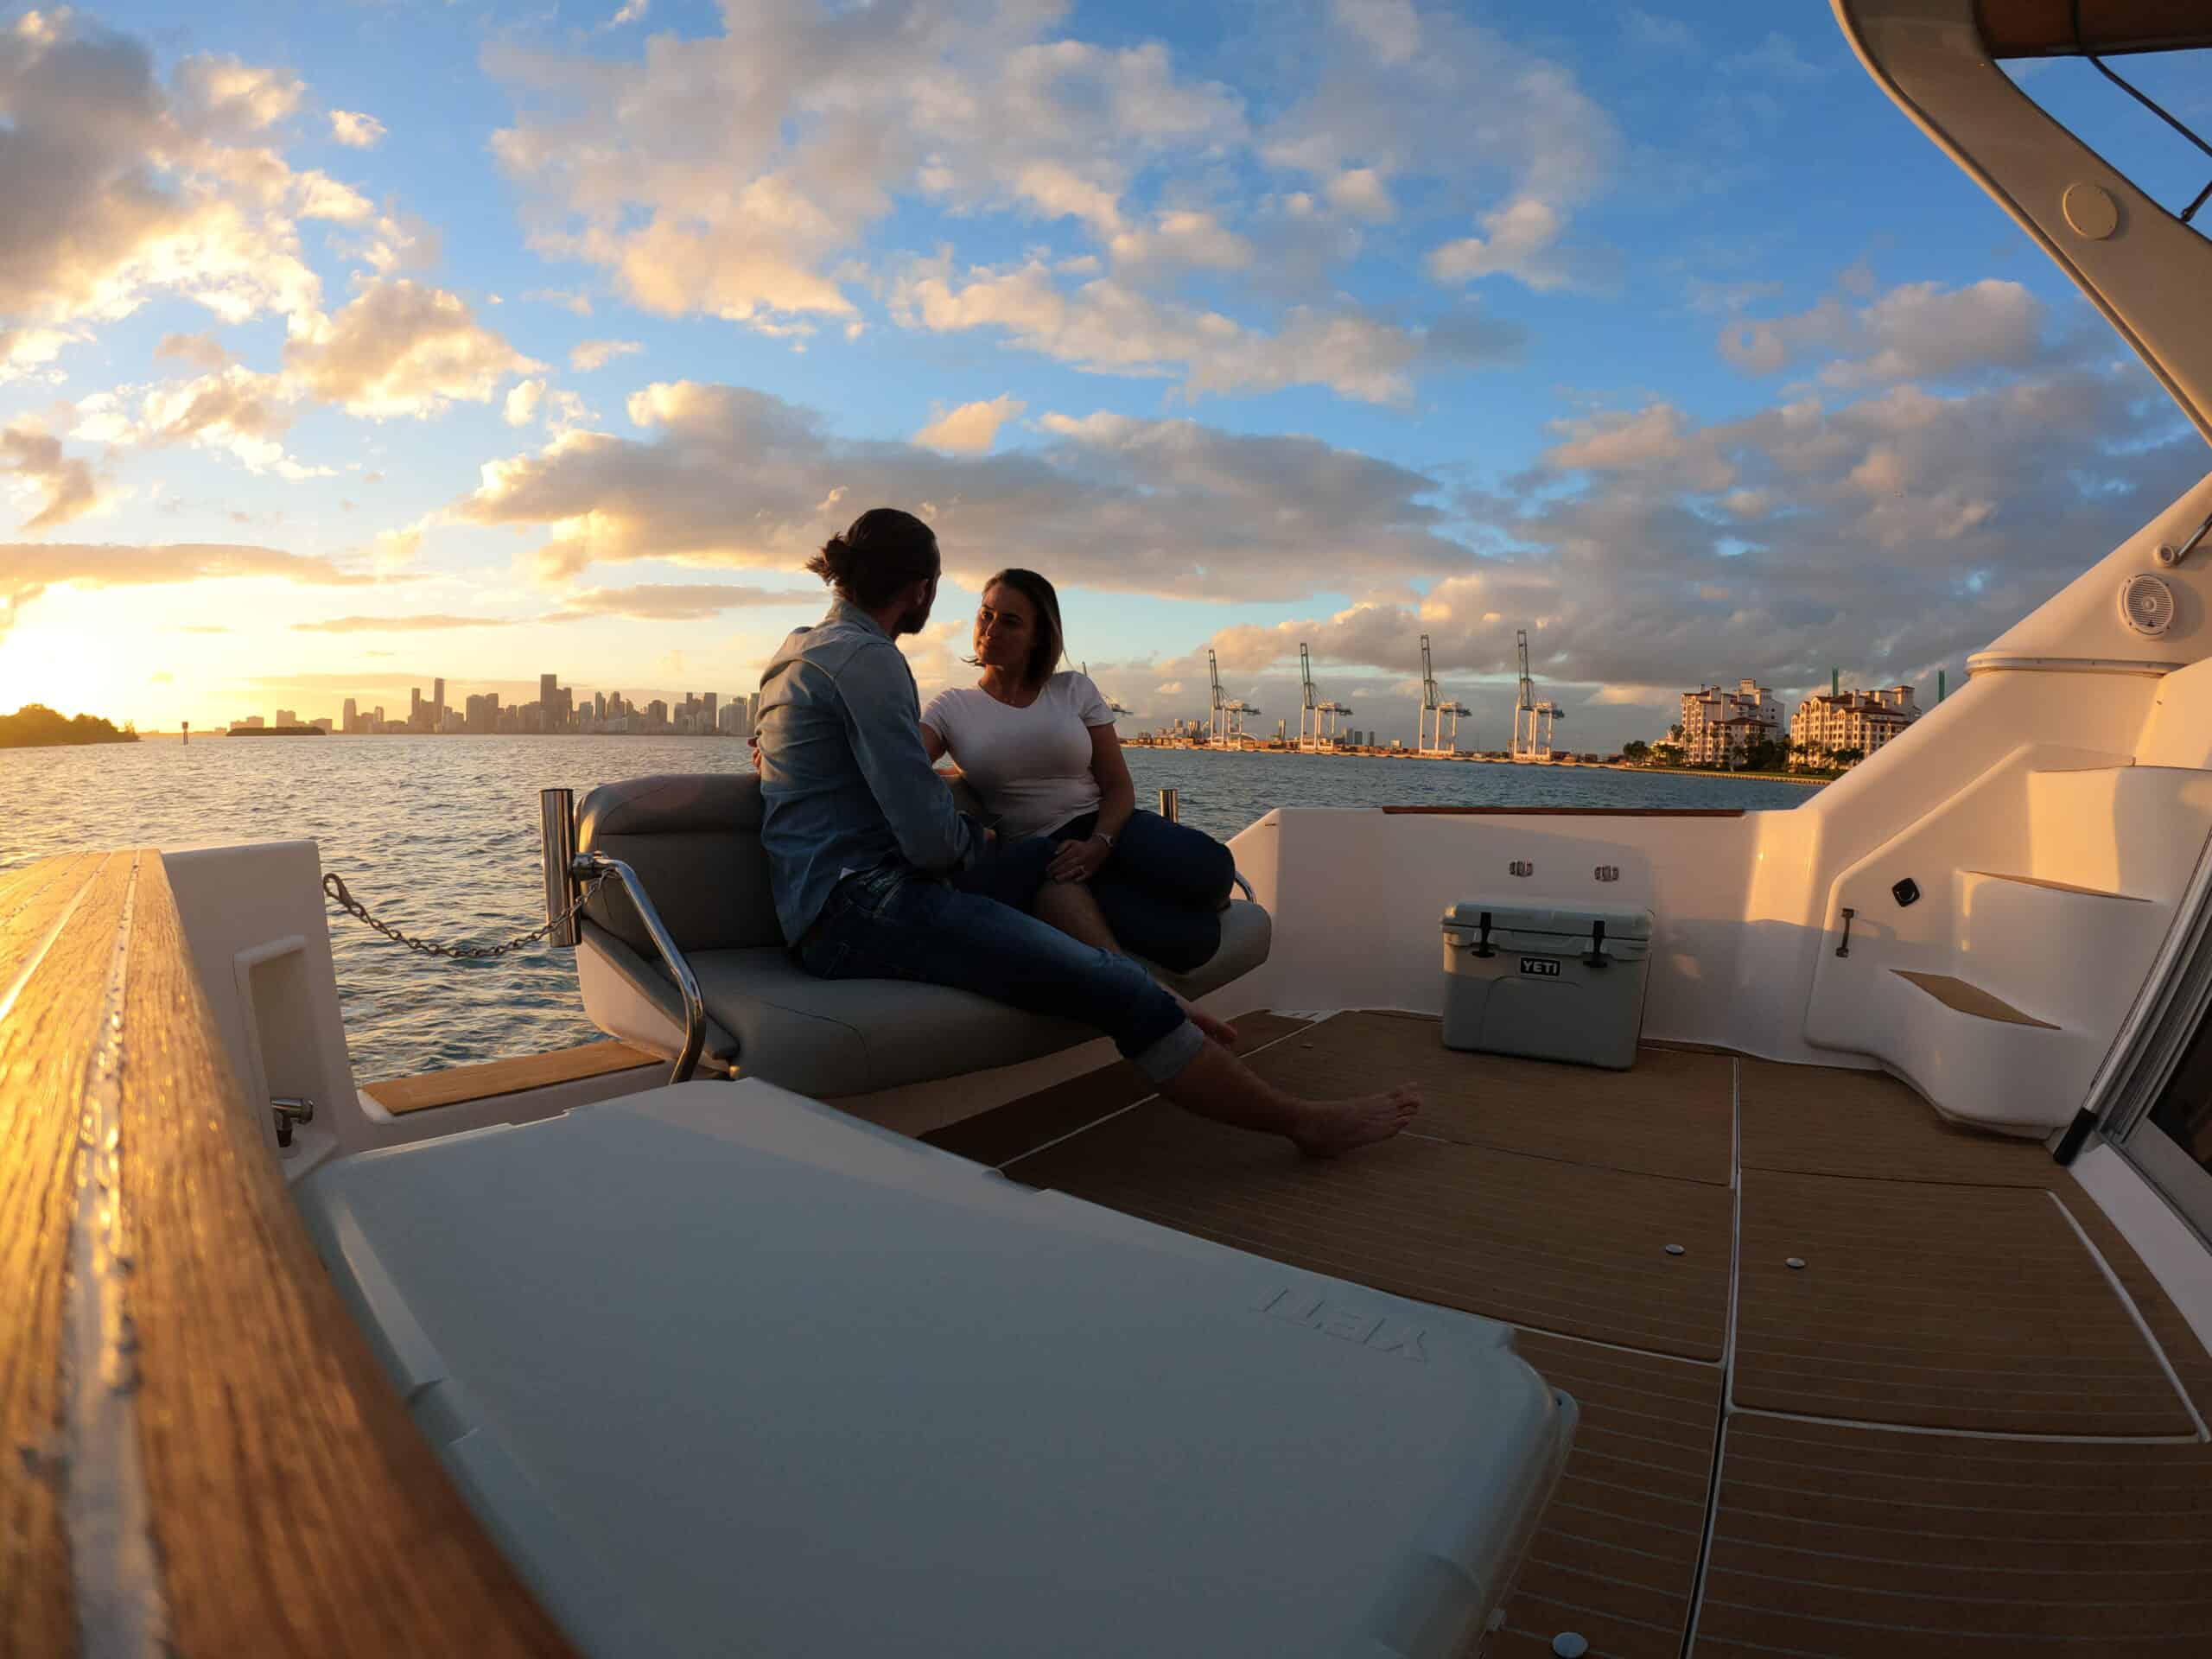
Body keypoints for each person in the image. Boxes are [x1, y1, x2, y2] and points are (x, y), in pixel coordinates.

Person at [755, 506, 1419, 1156]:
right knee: (1116, 987)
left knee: (1056, 862)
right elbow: (927, 837)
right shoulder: (870, 661)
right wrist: (974, 844)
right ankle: (1298, 1120)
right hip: (860, 908)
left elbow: (836, 766)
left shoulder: (794, 653)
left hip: (832, 900)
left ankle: (1136, 977)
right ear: (921, 590)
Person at [921, 569, 1230, 975]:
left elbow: (1118, 787)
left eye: (1010, 621)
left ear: (1038, 636)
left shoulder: (1073, 689)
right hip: (1046, 853)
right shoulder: (950, 707)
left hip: (1109, 827)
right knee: (1194, 944)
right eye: (986, 614)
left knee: (1215, 867)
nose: (990, 629)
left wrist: (1101, 843)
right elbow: (899, 769)